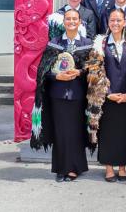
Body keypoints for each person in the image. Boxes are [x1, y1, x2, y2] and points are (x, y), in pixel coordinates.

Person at [30, 9, 93, 182]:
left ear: (80, 22)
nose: (71, 21)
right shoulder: (55, 43)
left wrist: (80, 72)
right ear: (63, 22)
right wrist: (57, 76)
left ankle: (75, 167)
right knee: (60, 131)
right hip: (57, 95)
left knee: (75, 131)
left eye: (74, 19)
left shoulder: (87, 43)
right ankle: (61, 168)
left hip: (78, 95)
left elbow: (93, 68)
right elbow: (43, 70)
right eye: (68, 19)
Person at [86, 9, 126, 183]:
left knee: (125, 133)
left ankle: (122, 167)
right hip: (106, 97)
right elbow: (94, 70)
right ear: (108, 22)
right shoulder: (100, 44)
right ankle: (109, 167)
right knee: (107, 133)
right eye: (112, 20)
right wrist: (108, 93)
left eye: (119, 20)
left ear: (125, 22)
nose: (115, 23)